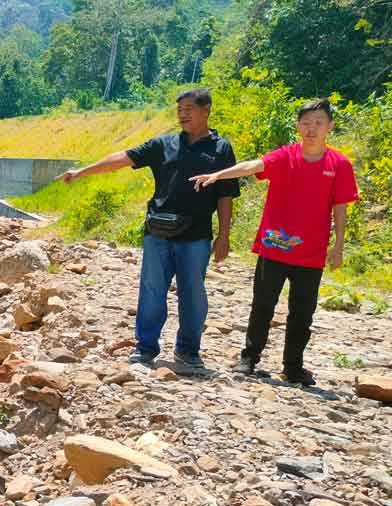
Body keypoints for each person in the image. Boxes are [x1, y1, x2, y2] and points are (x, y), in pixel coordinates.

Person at [58, 88, 240, 368]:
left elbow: (225, 196)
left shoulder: (221, 149)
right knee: (152, 291)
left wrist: (224, 235)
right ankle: (145, 348)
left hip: (196, 237)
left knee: (193, 295)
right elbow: (123, 158)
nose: (182, 115)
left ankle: (188, 351)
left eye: (189, 109)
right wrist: (82, 171)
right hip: (158, 233)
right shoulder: (164, 144)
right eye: (179, 110)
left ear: (206, 111)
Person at [190, 98, 358, 386]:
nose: (312, 129)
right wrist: (218, 174)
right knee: (262, 305)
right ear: (298, 126)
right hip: (275, 247)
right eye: (306, 123)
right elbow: (253, 165)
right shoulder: (286, 156)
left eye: (318, 123)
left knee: (303, 313)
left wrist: (338, 245)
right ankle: (249, 358)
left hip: (311, 253)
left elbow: (340, 207)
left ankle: (293, 366)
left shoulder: (339, 164)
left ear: (330, 126)